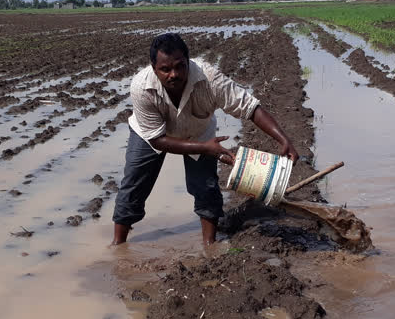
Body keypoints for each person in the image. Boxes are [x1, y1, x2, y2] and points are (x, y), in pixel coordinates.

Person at [112, 33, 299, 246]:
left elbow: (250, 107)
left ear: (188, 62)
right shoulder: (141, 87)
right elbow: (157, 140)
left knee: (206, 186)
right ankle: (118, 244)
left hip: (199, 133)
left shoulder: (209, 79)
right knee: (135, 183)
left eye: (180, 66)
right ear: (154, 68)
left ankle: (210, 245)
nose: (173, 74)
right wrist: (205, 148)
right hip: (151, 135)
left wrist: (284, 140)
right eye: (165, 69)